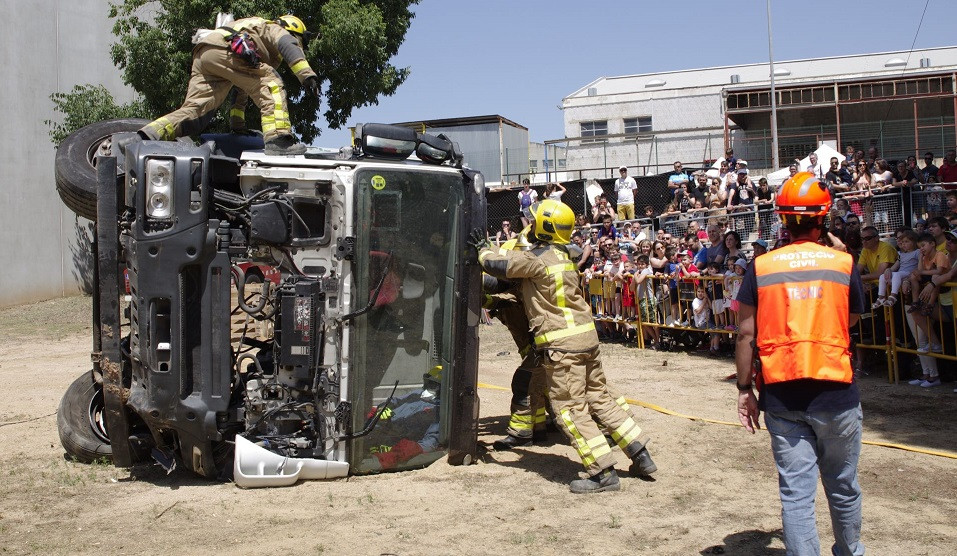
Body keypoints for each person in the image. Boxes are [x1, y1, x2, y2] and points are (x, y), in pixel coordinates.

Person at [473, 199, 657, 493]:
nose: (529, 224)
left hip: (562, 346)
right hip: (587, 341)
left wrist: (481, 247)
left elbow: (497, 265)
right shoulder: (564, 255)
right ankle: (640, 454)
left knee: (570, 410)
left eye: (534, 220)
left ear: (544, 226)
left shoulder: (535, 260)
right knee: (600, 398)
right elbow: (506, 284)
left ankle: (602, 473)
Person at [735, 171, 866, 556]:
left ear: (783, 217)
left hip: (782, 394)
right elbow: (853, 319)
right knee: (843, 486)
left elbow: (746, 334)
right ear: (823, 216)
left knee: (796, 495)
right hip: (836, 392)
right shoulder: (842, 263)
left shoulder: (762, 267)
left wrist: (745, 391)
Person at [139, 15, 319, 155]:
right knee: (271, 82)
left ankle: (147, 135)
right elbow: (287, 44)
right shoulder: (274, 28)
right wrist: (306, 75)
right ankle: (278, 139)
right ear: (293, 30)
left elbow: (241, 92)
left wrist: (238, 127)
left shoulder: (253, 31)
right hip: (228, 48)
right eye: (300, 43)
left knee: (197, 109)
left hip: (205, 52)